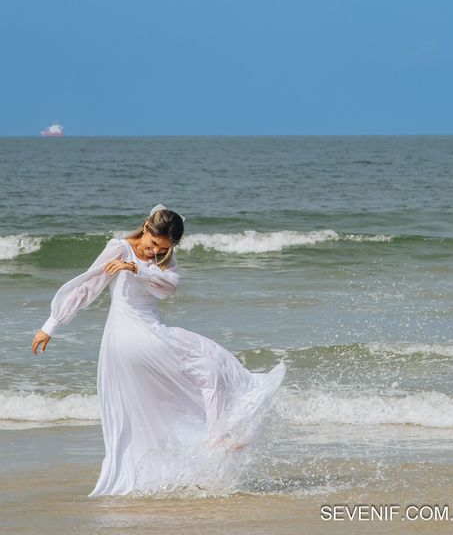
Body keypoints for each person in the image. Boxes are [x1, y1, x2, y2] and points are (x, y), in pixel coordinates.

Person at [31, 205, 286, 496]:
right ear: (145, 227)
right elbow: (87, 286)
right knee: (212, 363)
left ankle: (200, 451)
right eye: (153, 245)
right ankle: (217, 438)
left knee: (173, 395)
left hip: (147, 333)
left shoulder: (162, 259)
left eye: (163, 248)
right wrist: (51, 325)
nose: (154, 252)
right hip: (132, 333)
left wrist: (137, 268)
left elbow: (167, 288)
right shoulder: (119, 248)